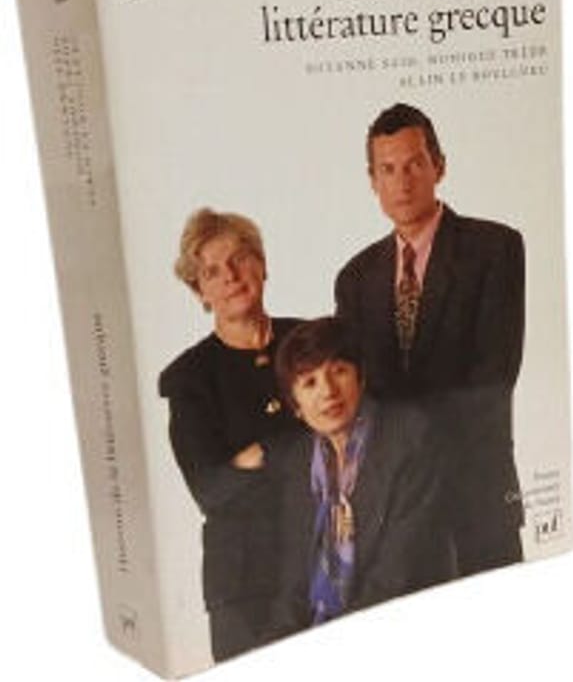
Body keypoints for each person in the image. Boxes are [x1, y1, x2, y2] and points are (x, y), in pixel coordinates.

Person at [335, 103, 525, 577]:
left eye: (414, 164)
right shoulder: (355, 278)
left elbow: (494, 379)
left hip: (476, 497)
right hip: (394, 512)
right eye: (388, 169)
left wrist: (404, 442)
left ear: (439, 166)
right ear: (372, 181)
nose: (402, 182)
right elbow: (358, 396)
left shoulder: (494, 249)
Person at [158, 208, 300, 661]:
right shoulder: (189, 378)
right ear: (199, 291)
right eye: (212, 272)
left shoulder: (311, 341)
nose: (231, 277)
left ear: (262, 264)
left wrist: (253, 456)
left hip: (328, 556)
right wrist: (296, 446)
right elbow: (210, 488)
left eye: (240, 259)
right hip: (245, 585)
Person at [269, 317, 454, 637]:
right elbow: (294, 586)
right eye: (310, 383)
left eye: (339, 370)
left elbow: (398, 574)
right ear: (295, 405)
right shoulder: (300, 465)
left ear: (361, 377)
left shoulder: (409, 437)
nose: (328, 391)